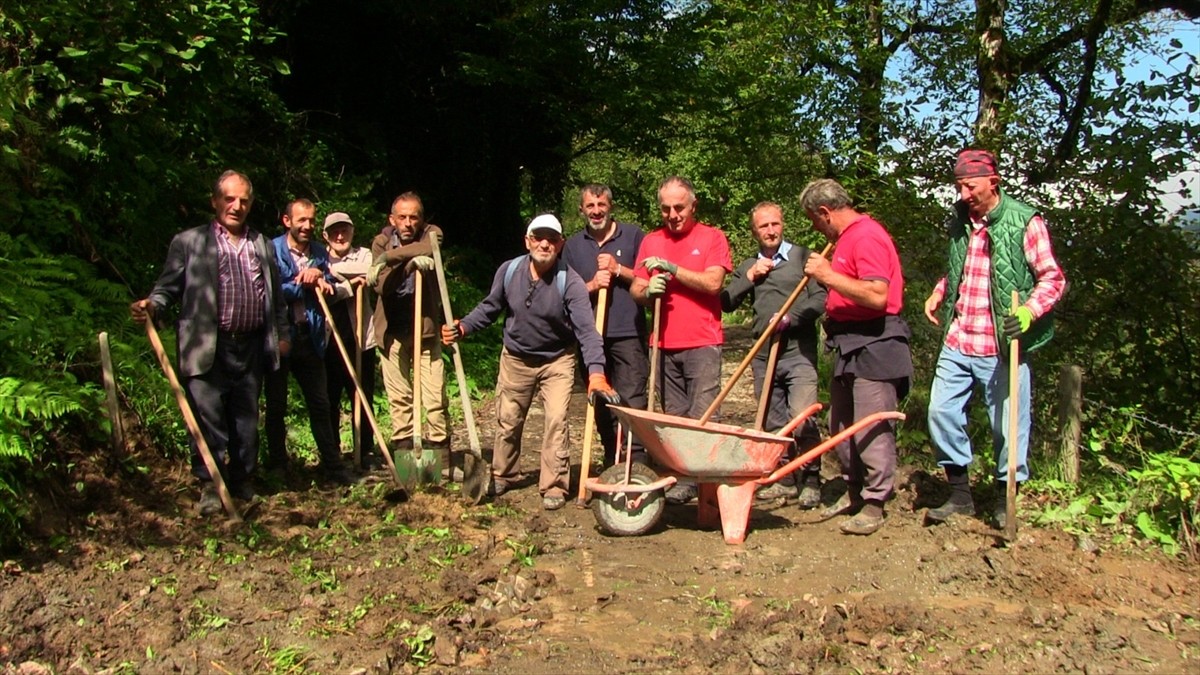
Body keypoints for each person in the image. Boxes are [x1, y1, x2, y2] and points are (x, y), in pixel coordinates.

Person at [130, 170, 289, 515]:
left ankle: (244, 480)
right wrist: (152, 306)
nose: (237, 206)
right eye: (229, 199)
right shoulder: (189, 242)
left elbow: (274, 297)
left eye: (244, 200)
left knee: (246, 418)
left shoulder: (260, 242)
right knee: (207, 417)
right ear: (215, 201)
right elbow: (167, 287)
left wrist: (282, 334)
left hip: (250, 345)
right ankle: (210, 486)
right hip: (205, 344)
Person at [923, 149, 1066, 529]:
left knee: (1008, 425)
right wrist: (941, 290)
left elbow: (1052, 278)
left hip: (1002, 344)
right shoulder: (959, 222)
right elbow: (960, 270)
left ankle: (1006, 498)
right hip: (959, 337)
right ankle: (960, 495)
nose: (964, 193)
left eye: (970, 185)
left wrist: (1028, 312)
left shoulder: (1024, 221)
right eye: (959, 186)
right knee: (941, 412)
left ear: (993, 181)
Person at [441, 214, 619, 511]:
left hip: (557, 360)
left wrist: (597, 373)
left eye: (552, 238)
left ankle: (554, 485)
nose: (545, 244)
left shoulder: (570, 281)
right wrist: (464, 327)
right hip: (516, 357)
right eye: (539, 237)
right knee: (508, 420)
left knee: (556, 421)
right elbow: (490, 306)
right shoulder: (509, 271)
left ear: (560, 244)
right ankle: (504, 473)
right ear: (528, 241)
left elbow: (587, 331)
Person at [801, 178, 912, 536]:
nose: (817, 229)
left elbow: (879, 295)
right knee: (841, 425)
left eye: (815, 221)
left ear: (825, 212)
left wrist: (828, 276)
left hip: (876, 343)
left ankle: (874, 502)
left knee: (870, 425)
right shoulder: (846, 239)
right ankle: (853, 491)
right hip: (848, 343)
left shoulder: (866, 236)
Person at [631, 176, 733, 504]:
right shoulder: (651, 241)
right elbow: (635, 287)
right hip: (662, 343)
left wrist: (673, 269)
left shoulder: (712, 237)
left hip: (702, 341)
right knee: (673, 418)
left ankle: (703, 485)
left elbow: (713, 283)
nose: (673, 214)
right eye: (666, 208)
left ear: (693, 205)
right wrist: (648, 292)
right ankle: (683, 477)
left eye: (679, 207)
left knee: (702, 416)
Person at [720, 201, 827, 508]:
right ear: (754, 231)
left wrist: (790, 317)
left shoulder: (803, 257)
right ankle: (783, 480)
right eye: (763, 226)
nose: (770, 231)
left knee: (802, 417)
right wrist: (749, 277)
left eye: (775, 224)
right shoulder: (749, 264)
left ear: (783, 224)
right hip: (763, 355)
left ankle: (810, 480)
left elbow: (820, 299)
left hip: (797, 353)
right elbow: (726, 302)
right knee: (771, 422)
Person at [263, 199, 356, 485]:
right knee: (277, 404)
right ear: (287, 221)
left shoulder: (318, 251)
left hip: (311, 338)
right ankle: (278, 465)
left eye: (312, 221)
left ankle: (333, 467)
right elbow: (269, 290)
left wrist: (322, 277)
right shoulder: (271, 249)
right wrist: (302, 282)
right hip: (281, 337)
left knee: (320, 402)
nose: (307, 226)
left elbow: (325, 281)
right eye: (301, 220)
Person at [561, 183, 647, 467]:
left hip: (629, 334)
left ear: (610, 207)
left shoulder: (634, 237)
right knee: (601, 402)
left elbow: (647, 280)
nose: (596, 211)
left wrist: (618, 270)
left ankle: (634, 465)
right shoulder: (572, 247)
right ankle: (613, 459)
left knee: (632, 400)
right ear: (582, 210)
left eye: (601, 205)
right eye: (590, 206)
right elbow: (564, 292)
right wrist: (591, 285)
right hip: (590, 337)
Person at [368, 192, 452, 471]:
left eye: (413, 216)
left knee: (435, 398)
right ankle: (408, 470)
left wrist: (390, 259)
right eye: (401, 217)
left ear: (421, 219)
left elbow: (430, 247)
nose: (407, 223)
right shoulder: (380, 241)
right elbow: (381, 286)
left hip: (425, 332)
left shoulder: (432, 233)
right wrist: (408, 266)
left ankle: (437, 469)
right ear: (392, 219)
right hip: (392, 332)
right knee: (400, 400)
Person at [322, 212, 379, 470]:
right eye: (335, 232)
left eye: (344, 230)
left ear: (352, 232)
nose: (340, 236)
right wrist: (344, 282)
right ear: (326, 236)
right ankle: (332, 452)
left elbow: (369, 270)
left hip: (360, 340)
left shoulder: (364, 254)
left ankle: (364, 450)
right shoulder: (318, 257)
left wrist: (332, 272)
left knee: (363, 395)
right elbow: (325, 291)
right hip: (328, 340)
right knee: (329, 398)